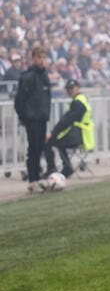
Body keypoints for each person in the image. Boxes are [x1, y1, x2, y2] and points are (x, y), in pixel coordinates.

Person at [14, 46, 52, 192]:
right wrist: (25, 117)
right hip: (32, 119)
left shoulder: (45, 76)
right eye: (39, 57)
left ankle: (38, 177)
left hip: (42, 118)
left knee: (39, 148)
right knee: (34, 149)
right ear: (33, 58)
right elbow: (19, 101)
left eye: (44, 57)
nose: (42, 60)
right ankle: (33, 180)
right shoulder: (27, 77)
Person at [43, 79, 94, 179]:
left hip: (79, 135)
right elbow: (66, 120)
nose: (70, 91)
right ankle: (65, 167)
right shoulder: (80, 100)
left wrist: (52, 134)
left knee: (49, 142)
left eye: (72, 88)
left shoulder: (78, 102)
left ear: (77, 87)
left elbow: (66, 122)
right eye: (68, 89)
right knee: (56, 141)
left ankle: (54, 169)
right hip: (79, 134)